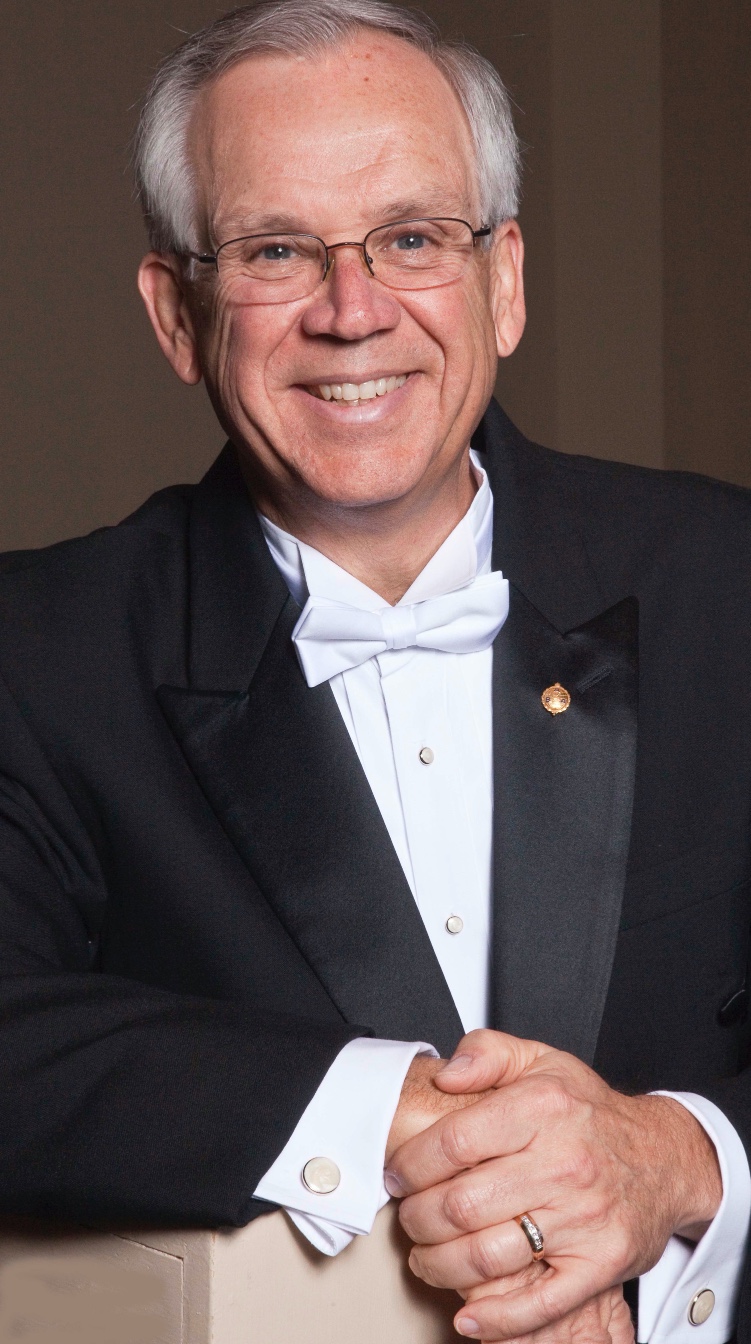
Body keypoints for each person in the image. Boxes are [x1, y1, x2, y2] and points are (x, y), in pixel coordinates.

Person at [0, 1, 749, 1340]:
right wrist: (398, 1115)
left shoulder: (733, 582)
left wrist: (673, 1164)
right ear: (177, 316)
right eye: (276, 251)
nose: (353, 314)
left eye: (411, 238)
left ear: (503, 282)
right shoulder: (37, 650)